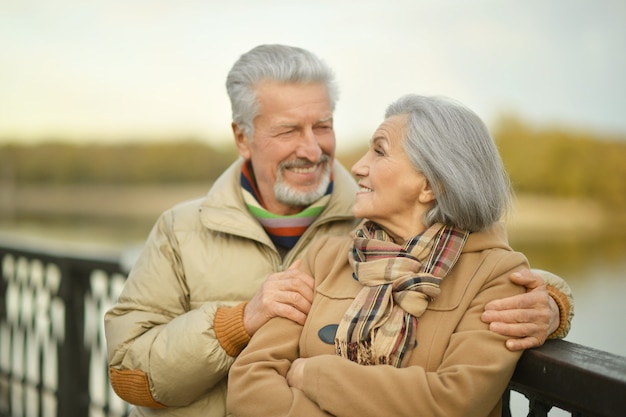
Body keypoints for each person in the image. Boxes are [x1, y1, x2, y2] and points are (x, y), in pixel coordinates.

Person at [104, 45, 573, 417]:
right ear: (243, 137)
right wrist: (238, 322)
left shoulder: (379, 212)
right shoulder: (180, 230)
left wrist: (553, 304)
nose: (313, 149)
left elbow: (483, 257)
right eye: (289, 130)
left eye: (323, 126)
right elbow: (128, 375)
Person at [228, 94, 549, 417]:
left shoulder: (496, 275)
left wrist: (314, 374)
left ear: (430, 184)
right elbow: (248, 386)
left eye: (379, 151)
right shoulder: (323, 257)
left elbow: (453, 403)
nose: (357, 167)